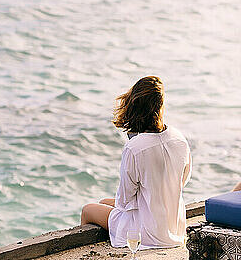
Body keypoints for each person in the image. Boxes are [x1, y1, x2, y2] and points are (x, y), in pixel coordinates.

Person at [80, 76, 192, 249]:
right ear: (161, 106)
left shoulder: (135, 148)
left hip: (145, 231)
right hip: (174, 226)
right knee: (104, 201)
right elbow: (182, 182)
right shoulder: (179, 139)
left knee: (88, 210)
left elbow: (125, 199)